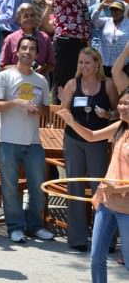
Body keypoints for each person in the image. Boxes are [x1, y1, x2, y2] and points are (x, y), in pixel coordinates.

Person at [57, 89, 129, 283]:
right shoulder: (120, 127)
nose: (122, 107)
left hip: (126, 207)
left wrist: (119, 189)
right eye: (121, 102)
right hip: (106, 201)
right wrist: (71, 122)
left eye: (127, 103)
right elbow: (91, 136)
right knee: (96, 257)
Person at [0, 35, 54, 243]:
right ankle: (15, 227)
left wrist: (38, 110)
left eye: (32, 49)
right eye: (24, 48)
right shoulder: (4, 77)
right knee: (10, 187)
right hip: (8, 140)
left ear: (37, 54)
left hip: (33, 141)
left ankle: (34, 226)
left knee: (37, 186)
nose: (28, 52)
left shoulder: (41, 80)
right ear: (17, 51)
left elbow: (47, 110)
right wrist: (16, 102)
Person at [58, 47, 118, 252]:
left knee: (100, 190)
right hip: (74, 139)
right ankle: (77, 239)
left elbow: (119, 113)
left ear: (97, 64)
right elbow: (64, 111)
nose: (84, 66)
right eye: (81, 62)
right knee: (74, 188)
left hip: (98, 142)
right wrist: (64, 104)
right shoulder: (72, 84)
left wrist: (106, 115)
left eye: (88, 63)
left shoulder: (108, 85)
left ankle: (105, 239)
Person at [52, 0, 106, 101]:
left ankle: (72, 112)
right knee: (63, 79)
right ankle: (57, 116)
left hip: (79, 43)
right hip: (66, 43)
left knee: (77, 79)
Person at [0, 3, 56, 79]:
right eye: (25, 16)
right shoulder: (10, 39)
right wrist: (21, 68)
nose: (29, 19)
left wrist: (42, 68)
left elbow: (52, 65)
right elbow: (2, 67)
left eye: (32, 15)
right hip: (16, 83)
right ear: (19, 19)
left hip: (38, 83)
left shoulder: (45, 38)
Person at [91, 0, 129, 77]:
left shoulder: (128, 23)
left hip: (121, 63)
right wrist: (100, 7)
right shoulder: (106, 21)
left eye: (117, 9)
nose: (114, 12)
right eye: (112, 9)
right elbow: (94, 21)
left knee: (119, 86)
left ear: (122, 11)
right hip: (105, 61)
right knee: (105, 85)